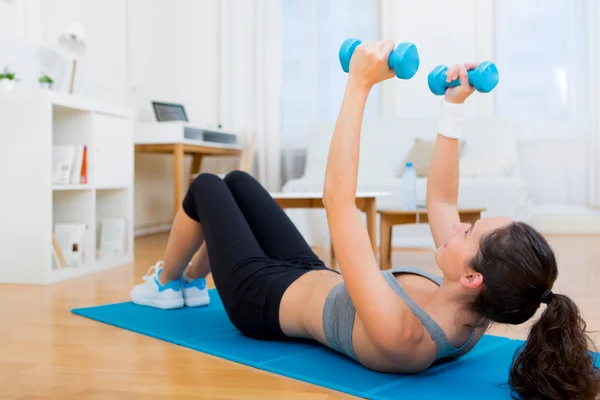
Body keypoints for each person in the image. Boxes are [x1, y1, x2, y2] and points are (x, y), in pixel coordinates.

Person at [130, 40, 600, 399]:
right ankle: (194, 281)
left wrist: (359, 84)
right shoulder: (475, 308)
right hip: (308, 274)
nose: (457, 225)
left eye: (468, 231)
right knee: (238, 180)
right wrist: (453, 106)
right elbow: (439, 200)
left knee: (208, 186)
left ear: (473, 275)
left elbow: (338, 200)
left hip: (260, 300)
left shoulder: (406, 334)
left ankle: (168, 285)